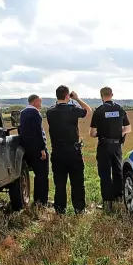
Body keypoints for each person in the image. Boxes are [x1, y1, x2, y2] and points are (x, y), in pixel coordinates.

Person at [46, 85, 92, 214]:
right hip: (73, 152)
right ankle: (79, 209)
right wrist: (77, 98)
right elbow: (88, 111)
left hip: (57, 152)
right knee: (77, 182)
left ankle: (60, 210)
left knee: (59, 183)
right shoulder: (72, 109)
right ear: (67, 96)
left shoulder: (50, 112)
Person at [89, 87, 131, 212]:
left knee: (105, 174)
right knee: (118, 172)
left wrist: (101, 134)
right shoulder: (119, 109)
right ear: (112, 95)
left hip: (104, 146)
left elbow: (92, 133)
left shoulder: (99, 111)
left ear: (101, 96)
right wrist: (119, 134)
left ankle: (107, 203)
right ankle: (119, 198)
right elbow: (128, 128)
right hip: (117, 146)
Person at [18, 94, 49, 206]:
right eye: (40, 102)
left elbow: (20, 130)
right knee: (42, 175)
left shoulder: (23, 113)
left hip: (28, 148)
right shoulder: (35, 113)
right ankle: (42, 201)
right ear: (35, 101)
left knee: (37, 174)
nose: (40, 104)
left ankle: (37, 201)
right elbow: (38, 133)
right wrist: (42, 149)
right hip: (38, 149)